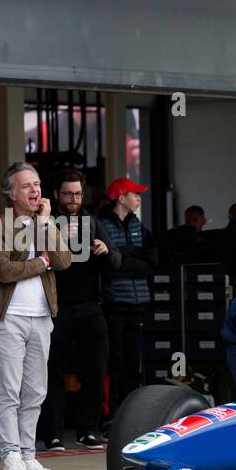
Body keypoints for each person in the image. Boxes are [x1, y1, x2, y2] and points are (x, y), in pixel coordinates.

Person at [0, 162, 75, 470]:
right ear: (10, 193)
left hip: (42, 316)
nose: (35, 190)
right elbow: (3, 271)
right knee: (8, 390)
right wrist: (40, 261)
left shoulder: (45, 222)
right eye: (26, 186)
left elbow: (63, 260)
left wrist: (45, 224)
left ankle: (29, 454)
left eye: (37, 184)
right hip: (9, 317)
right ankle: (10, 455)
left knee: (35, 390)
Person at [42, 169, 113, 451]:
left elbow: (116, 262)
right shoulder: (46, 221)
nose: (73, 198)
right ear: (57, 194)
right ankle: (53, 434)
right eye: (68, 193)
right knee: (53, 373)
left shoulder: (92, 222)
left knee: (95, 370)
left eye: (78, 194)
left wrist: (105, 249)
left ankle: (89, 430)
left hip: (89, 305)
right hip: (55, 307)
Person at [97, 177, 157, 417]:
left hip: (139, 304)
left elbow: (151, 264)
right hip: (114, 305)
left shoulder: (140, 226)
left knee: (134, 362)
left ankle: (131, 415)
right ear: (121, 198)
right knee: (115, 362)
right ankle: (111, 415)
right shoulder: (101, 224)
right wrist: (134, 257)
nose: (139, 198)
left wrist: (124, 255)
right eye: (135, 194)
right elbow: (107, 266)